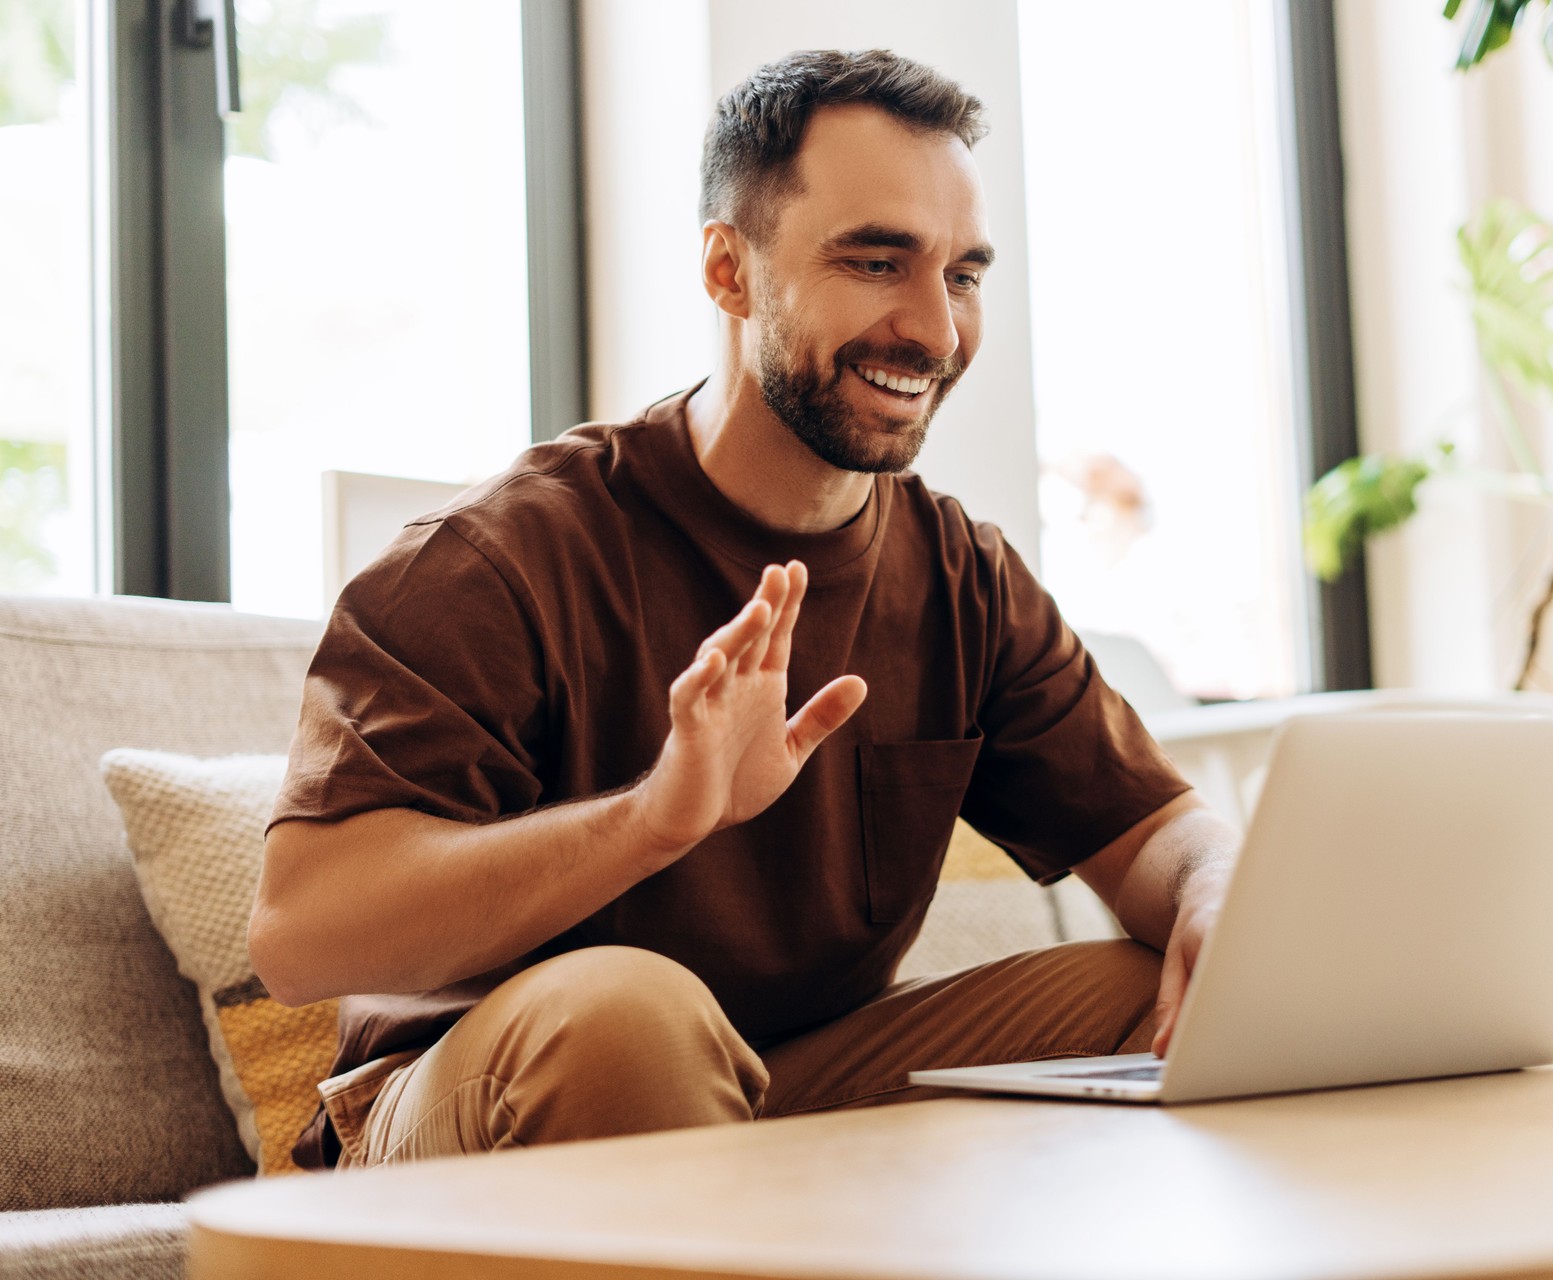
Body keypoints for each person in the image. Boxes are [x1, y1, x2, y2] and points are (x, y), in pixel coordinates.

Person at [251, 48, 1238, 1171]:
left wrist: (1217, 889)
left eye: (962, 274)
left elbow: (1157, 832)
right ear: (730, 271)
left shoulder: (962, 574)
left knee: (1159, 992)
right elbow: (300, 931)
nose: (936, 328)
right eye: (876, 261)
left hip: (796, 1077)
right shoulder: (499, 558)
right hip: (477, 1105)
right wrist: (651, 820)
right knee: (630, 1012)